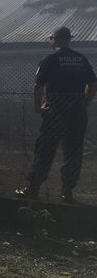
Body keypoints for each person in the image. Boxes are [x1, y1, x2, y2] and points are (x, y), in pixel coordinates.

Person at [16, 27, 97, 203]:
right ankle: (67, 192)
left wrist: (38, 107)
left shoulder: (50, 59)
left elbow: (38, 86)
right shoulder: (81, 59)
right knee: (73, 152)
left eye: (51, 38)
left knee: (45, 149)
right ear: (69, 40)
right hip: (76, 112)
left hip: (55, 111)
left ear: (55, 40)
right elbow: (92, 84)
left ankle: (33, 188)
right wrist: (84, 102)